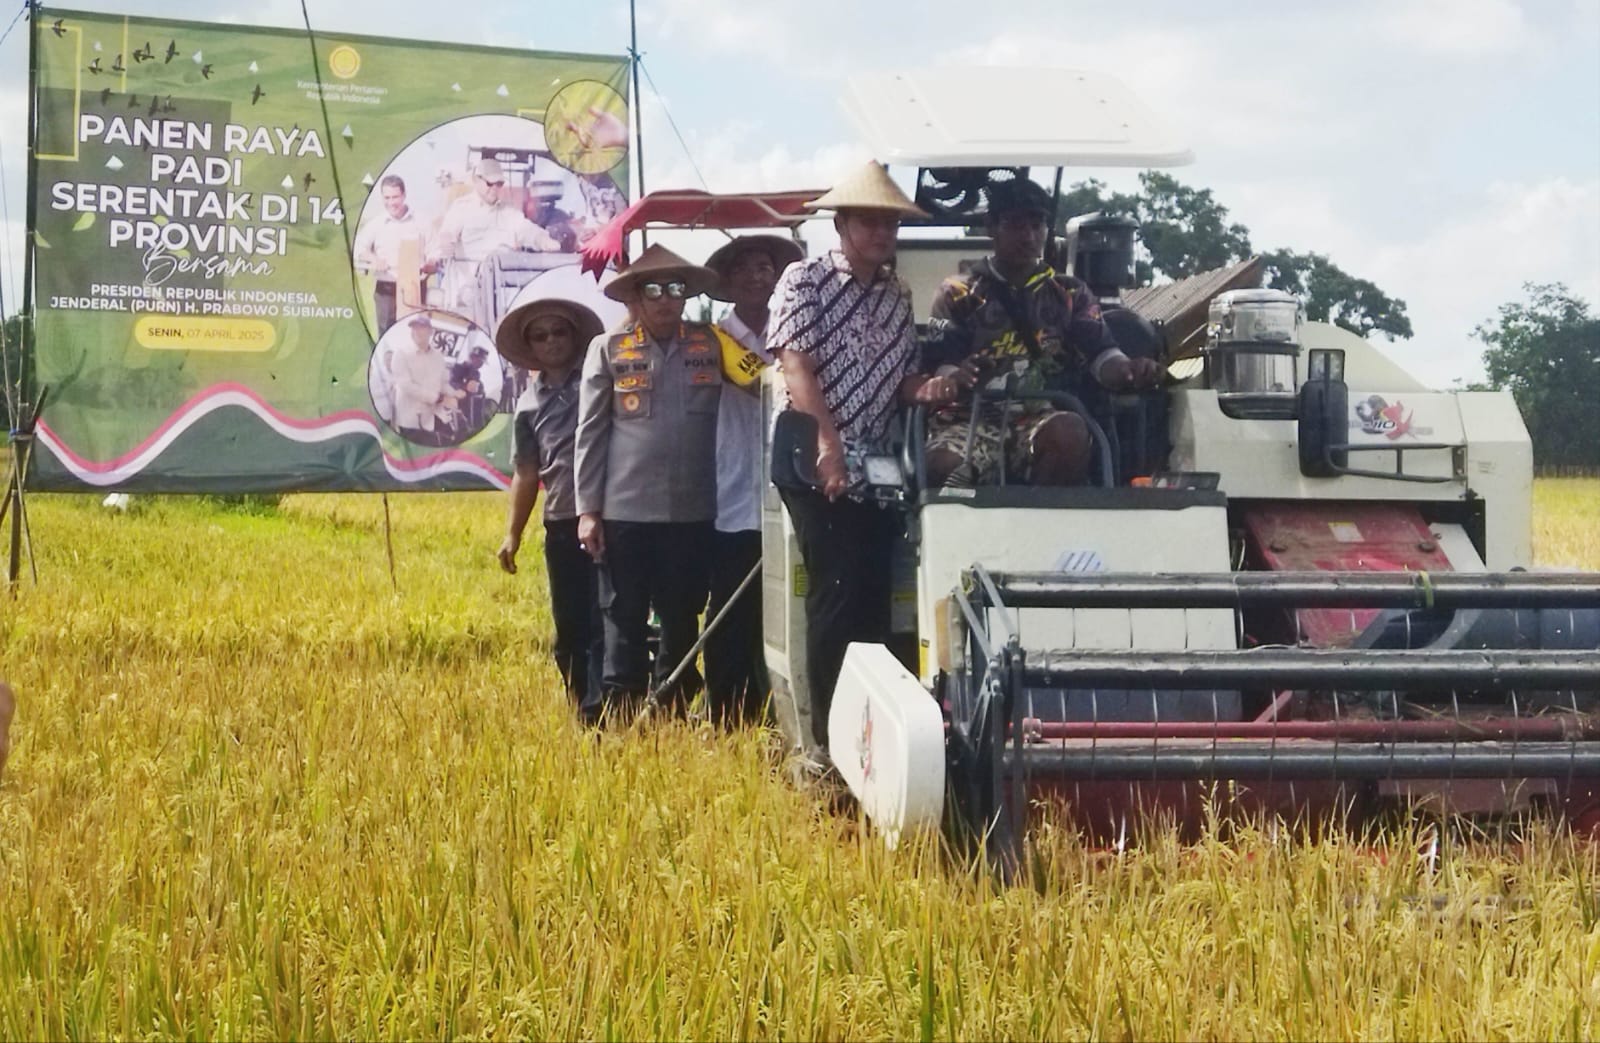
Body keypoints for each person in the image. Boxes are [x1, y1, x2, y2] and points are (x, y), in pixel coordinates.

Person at [768, 161, 963, 753]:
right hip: (812, 455)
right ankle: (827, 739)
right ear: (842, 224)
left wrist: (928, 388)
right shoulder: (805, 280)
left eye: (890, 224)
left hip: (878, 462)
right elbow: (796, 367)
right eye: (870, 222)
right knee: (836, 591)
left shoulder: (896, 294)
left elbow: (901, 379)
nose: (882, 233)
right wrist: (828, 446)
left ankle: (871, 737)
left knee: (877, 598)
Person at [574, 245, 765, 720]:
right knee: (624, 615)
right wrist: (587, 510)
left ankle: (670, 709)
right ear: (636, 298)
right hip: (625, 510)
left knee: (682, 615)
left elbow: (763, 382)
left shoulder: (712, 342)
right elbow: (590, 432)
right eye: (653, 290)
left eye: (675, 288)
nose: (665, 299)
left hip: (692, 511)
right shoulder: (609, 348)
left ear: (686, 295)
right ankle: (621, 710)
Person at [920, 177, 1162, 487]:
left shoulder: (1070, 292)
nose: (1029, 236)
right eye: (1016, 225)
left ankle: (1039, 516)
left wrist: (1129, 369)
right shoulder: (957, 291)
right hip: (968, 418)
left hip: (1039, 417)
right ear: (991, 227)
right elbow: (940, 364)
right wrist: (957, 376)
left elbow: (1103, 356)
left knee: (1070, 433)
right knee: (942, 464)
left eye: (1037, 225)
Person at [702, 233, 803, 727]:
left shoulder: (797, 332)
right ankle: (725, 712)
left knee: (784, 608)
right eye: (743, 269)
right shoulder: (714, 339)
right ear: (728, 281)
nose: (755, 278)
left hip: (792, 489)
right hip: (736, 491)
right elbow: (763, 387)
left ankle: (779, 712)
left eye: (764, 268)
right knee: (730, 608)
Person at [495, 297, 607, 721]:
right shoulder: (528, 405)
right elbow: (527, 472)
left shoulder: (599, 380)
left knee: (605, 622)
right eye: (540, 336)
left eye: (559, 332)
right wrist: (513, 533)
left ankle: (603, 710)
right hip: (561, 520)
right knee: (569, 626)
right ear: (531, 347)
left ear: (574, 337)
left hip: (606, 517)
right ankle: (581, 706)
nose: (551, 341)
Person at [428, 157, 560, 324]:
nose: (494, 189)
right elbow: (447, 235)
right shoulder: (461, 209)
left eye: (499, 184)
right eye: (490, 183)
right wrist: (445, 244)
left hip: (503, 290)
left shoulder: (508, 212)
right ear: (477, 180)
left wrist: (542, 239)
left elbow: (526, 230)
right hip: (467, 290)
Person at [354, 175, 428, 336]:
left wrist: (430, 264)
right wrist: (373, 259)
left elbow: (435, 250)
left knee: (415, 335)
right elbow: (359, 247)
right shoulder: (376, 224)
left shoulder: (421, 221)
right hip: (386, 289)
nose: (391, 202)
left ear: (404, 195)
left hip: (415, 288)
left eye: (395, 197)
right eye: (387, 198)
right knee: (387, 336)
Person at [391, 313, 463, 446]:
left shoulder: (438, 356)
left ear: (431, 331)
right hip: (410, 420)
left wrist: (454, 394)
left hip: (434, 416)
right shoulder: (401, 354)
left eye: (421, 327)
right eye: (414, 328)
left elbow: (443, 383)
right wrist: (439, 398)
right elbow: (406, 386)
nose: (417, 331)